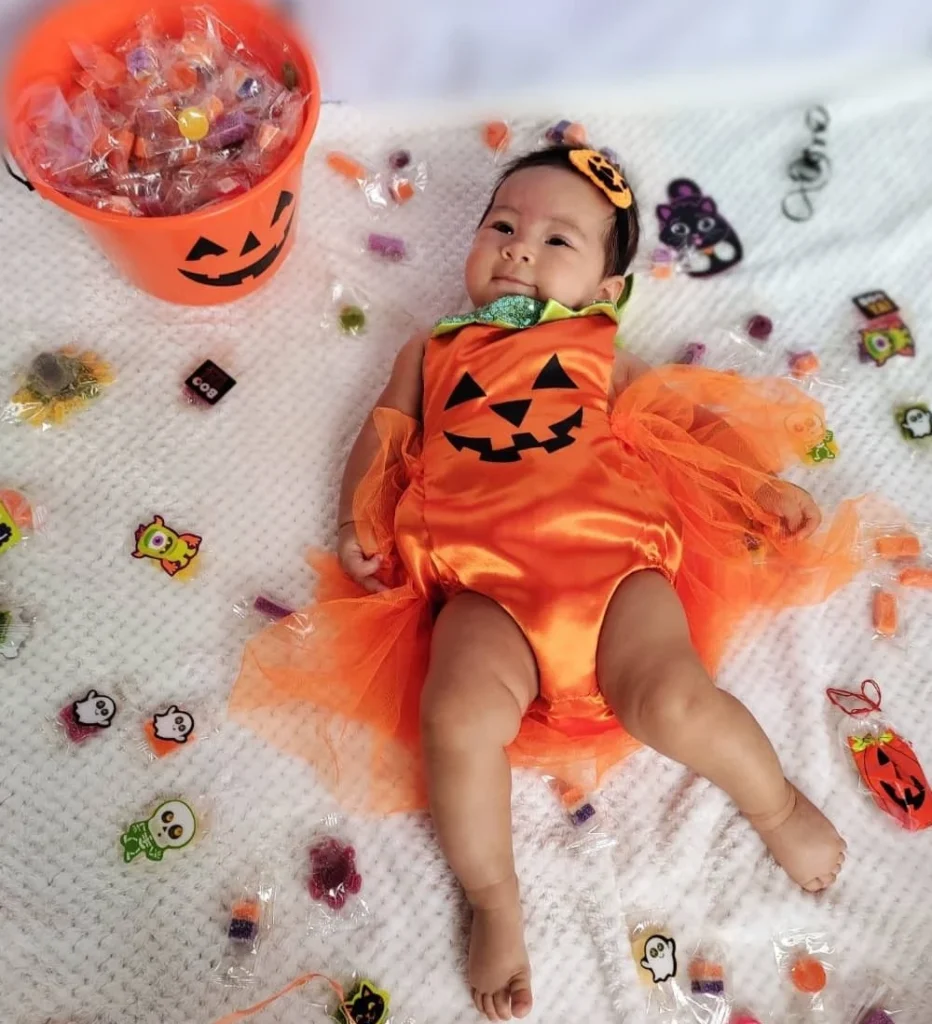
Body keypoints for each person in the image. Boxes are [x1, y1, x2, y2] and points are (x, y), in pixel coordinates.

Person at [231, 145, 862, 1021]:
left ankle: (776, 802)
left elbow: (681, 425)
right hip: (482, 585)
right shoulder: (434, 346)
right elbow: (381, 438)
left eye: (558, 239)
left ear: (606, 291)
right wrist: (357, 520)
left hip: (614, 565)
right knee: (454, 713)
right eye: (503, 226)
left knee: (673, 700)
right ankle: (493, 894)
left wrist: (754, 486)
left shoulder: (599, 347)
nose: (520, 248)